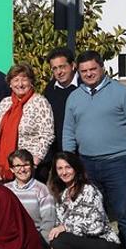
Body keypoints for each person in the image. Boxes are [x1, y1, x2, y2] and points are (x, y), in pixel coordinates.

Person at [63, 50, 126, 249]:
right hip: (86, 164)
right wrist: (68, 165)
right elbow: (69, 132)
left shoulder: (122, 93)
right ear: (78, 72)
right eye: (84, 71)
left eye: (93, 69)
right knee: (93, 217)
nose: (89, 73)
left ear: (102, 68)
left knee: (124, 216)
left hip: (117, 163)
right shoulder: (74, 97)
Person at [45, 152, 124, 249]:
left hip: (103, 243)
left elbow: (97, 225)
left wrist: (65, 229)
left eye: (68, 167)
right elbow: (58, 224)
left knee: (60, 239)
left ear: (76, 168)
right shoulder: (62, 194)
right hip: (79, 243)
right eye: (60, 168)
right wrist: (55, 242)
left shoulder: (89, 190)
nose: (64, 172)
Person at [0, 63, 54, 181]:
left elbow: (47, 135)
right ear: (10, 83)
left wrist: (32, 164)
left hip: (32, 170)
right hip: (7, 168)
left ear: (31, 82)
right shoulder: (5, 103)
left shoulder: (40, 102)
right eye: (16, 80)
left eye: (24, 79)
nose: (20, 84)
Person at [39, 47, 78, 182]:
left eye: (62, 67)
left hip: (81, 152)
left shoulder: (84, 87)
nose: (59, 72)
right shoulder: (50, 89)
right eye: (54, 68)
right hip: (57, 152)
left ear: (73, 66)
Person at [5, 149, 56, 242]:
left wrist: (40, 242)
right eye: (18, 166)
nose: (22, 169)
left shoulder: (42, 189)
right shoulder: (5, 190)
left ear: (32, 166)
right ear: (12, 169)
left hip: (35, 241)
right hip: (10, 240)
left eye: (26, 165)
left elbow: (49, 221)